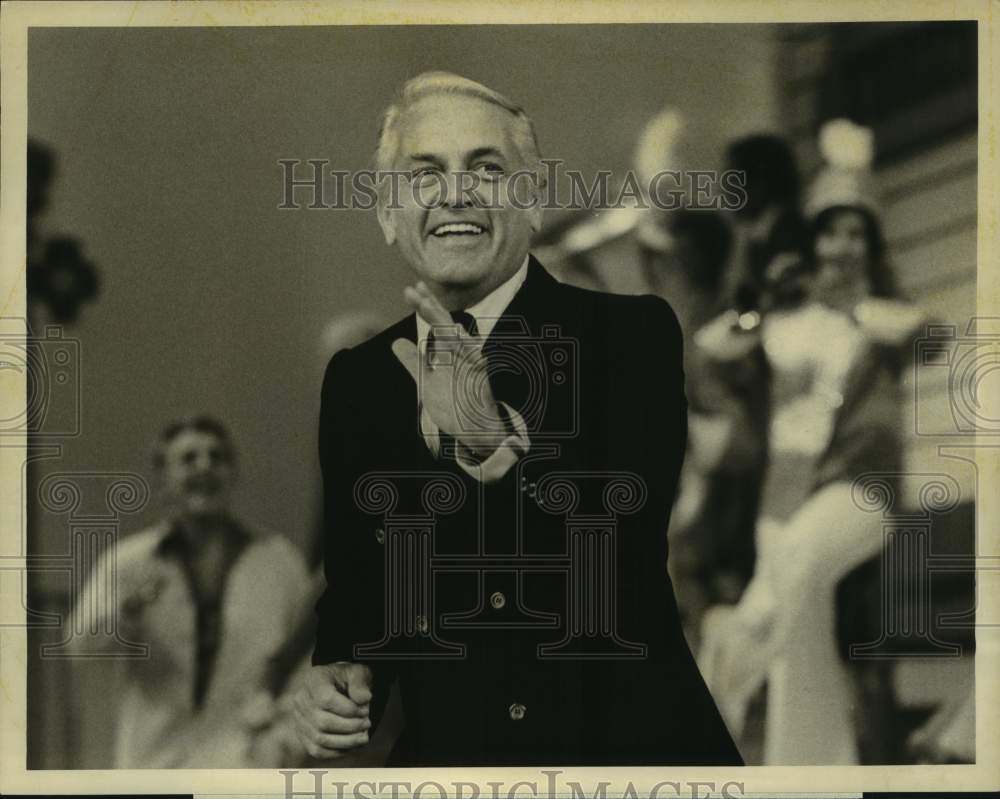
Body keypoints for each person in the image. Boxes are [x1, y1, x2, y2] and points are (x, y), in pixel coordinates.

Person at [293, 72, 741, 767]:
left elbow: (618, 549)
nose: (455, 193)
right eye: (425, 173)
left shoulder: (632, 336)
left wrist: (492, 441)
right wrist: (341, 677)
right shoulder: (358, 380)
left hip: (632, 762)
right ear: (387, 213)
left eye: (486, 168)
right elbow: (361, 598)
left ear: (530, 201)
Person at [696, 119, 925, 764]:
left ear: (872, 244)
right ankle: (811, 772)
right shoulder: (789, 320)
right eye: (830, 230)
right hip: (782, 501)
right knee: (803, 652)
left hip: (860, 492)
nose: (842, 245)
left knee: (791, 571)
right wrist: (763, 304)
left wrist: (851, 304)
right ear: (810, 236)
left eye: (857, 232)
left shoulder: (875, 321)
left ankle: (728, 658)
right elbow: (713, 348)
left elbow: (922, 333)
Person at [70, 415, 311, 767]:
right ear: (163, 480)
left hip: (246, 759)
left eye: (217, 457)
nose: (205, 467)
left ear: (234, 474)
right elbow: (80, 646)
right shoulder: (130, 562)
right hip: (155, 759)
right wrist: (127, 610)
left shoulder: (279, 562)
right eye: (188, 459)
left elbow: (307, 659)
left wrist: (289, 739)